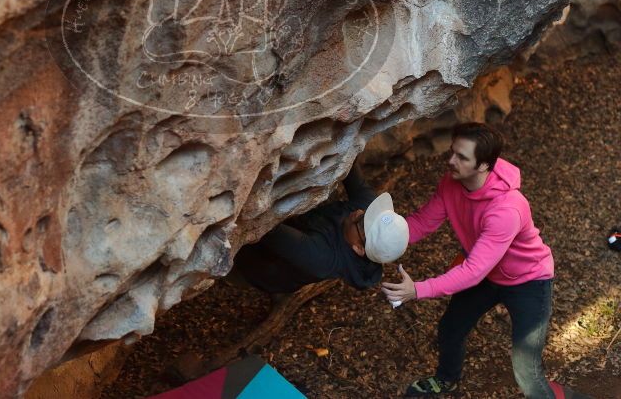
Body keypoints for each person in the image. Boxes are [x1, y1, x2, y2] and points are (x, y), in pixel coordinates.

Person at [381, 122, 555, 399]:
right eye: (452, 152)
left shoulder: (506, 209)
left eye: (462, 157)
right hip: (488, 275)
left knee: (526, 367)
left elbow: (473, 271)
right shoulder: (452, 181)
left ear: (484, 165)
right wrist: (380, 240)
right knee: (451, 328)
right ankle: (447, 380)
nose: (451, 161)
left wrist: (418, 290)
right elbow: (422, 223)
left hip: (528, 281)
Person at [233, 167, 409, 295]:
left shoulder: (324, 259)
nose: (359, 213)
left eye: (362, 221)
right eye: (370, 213)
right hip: (297, 231)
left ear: (358, 248)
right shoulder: (369, 215)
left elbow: (264, 227)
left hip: (256, 264)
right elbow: (351, 164)